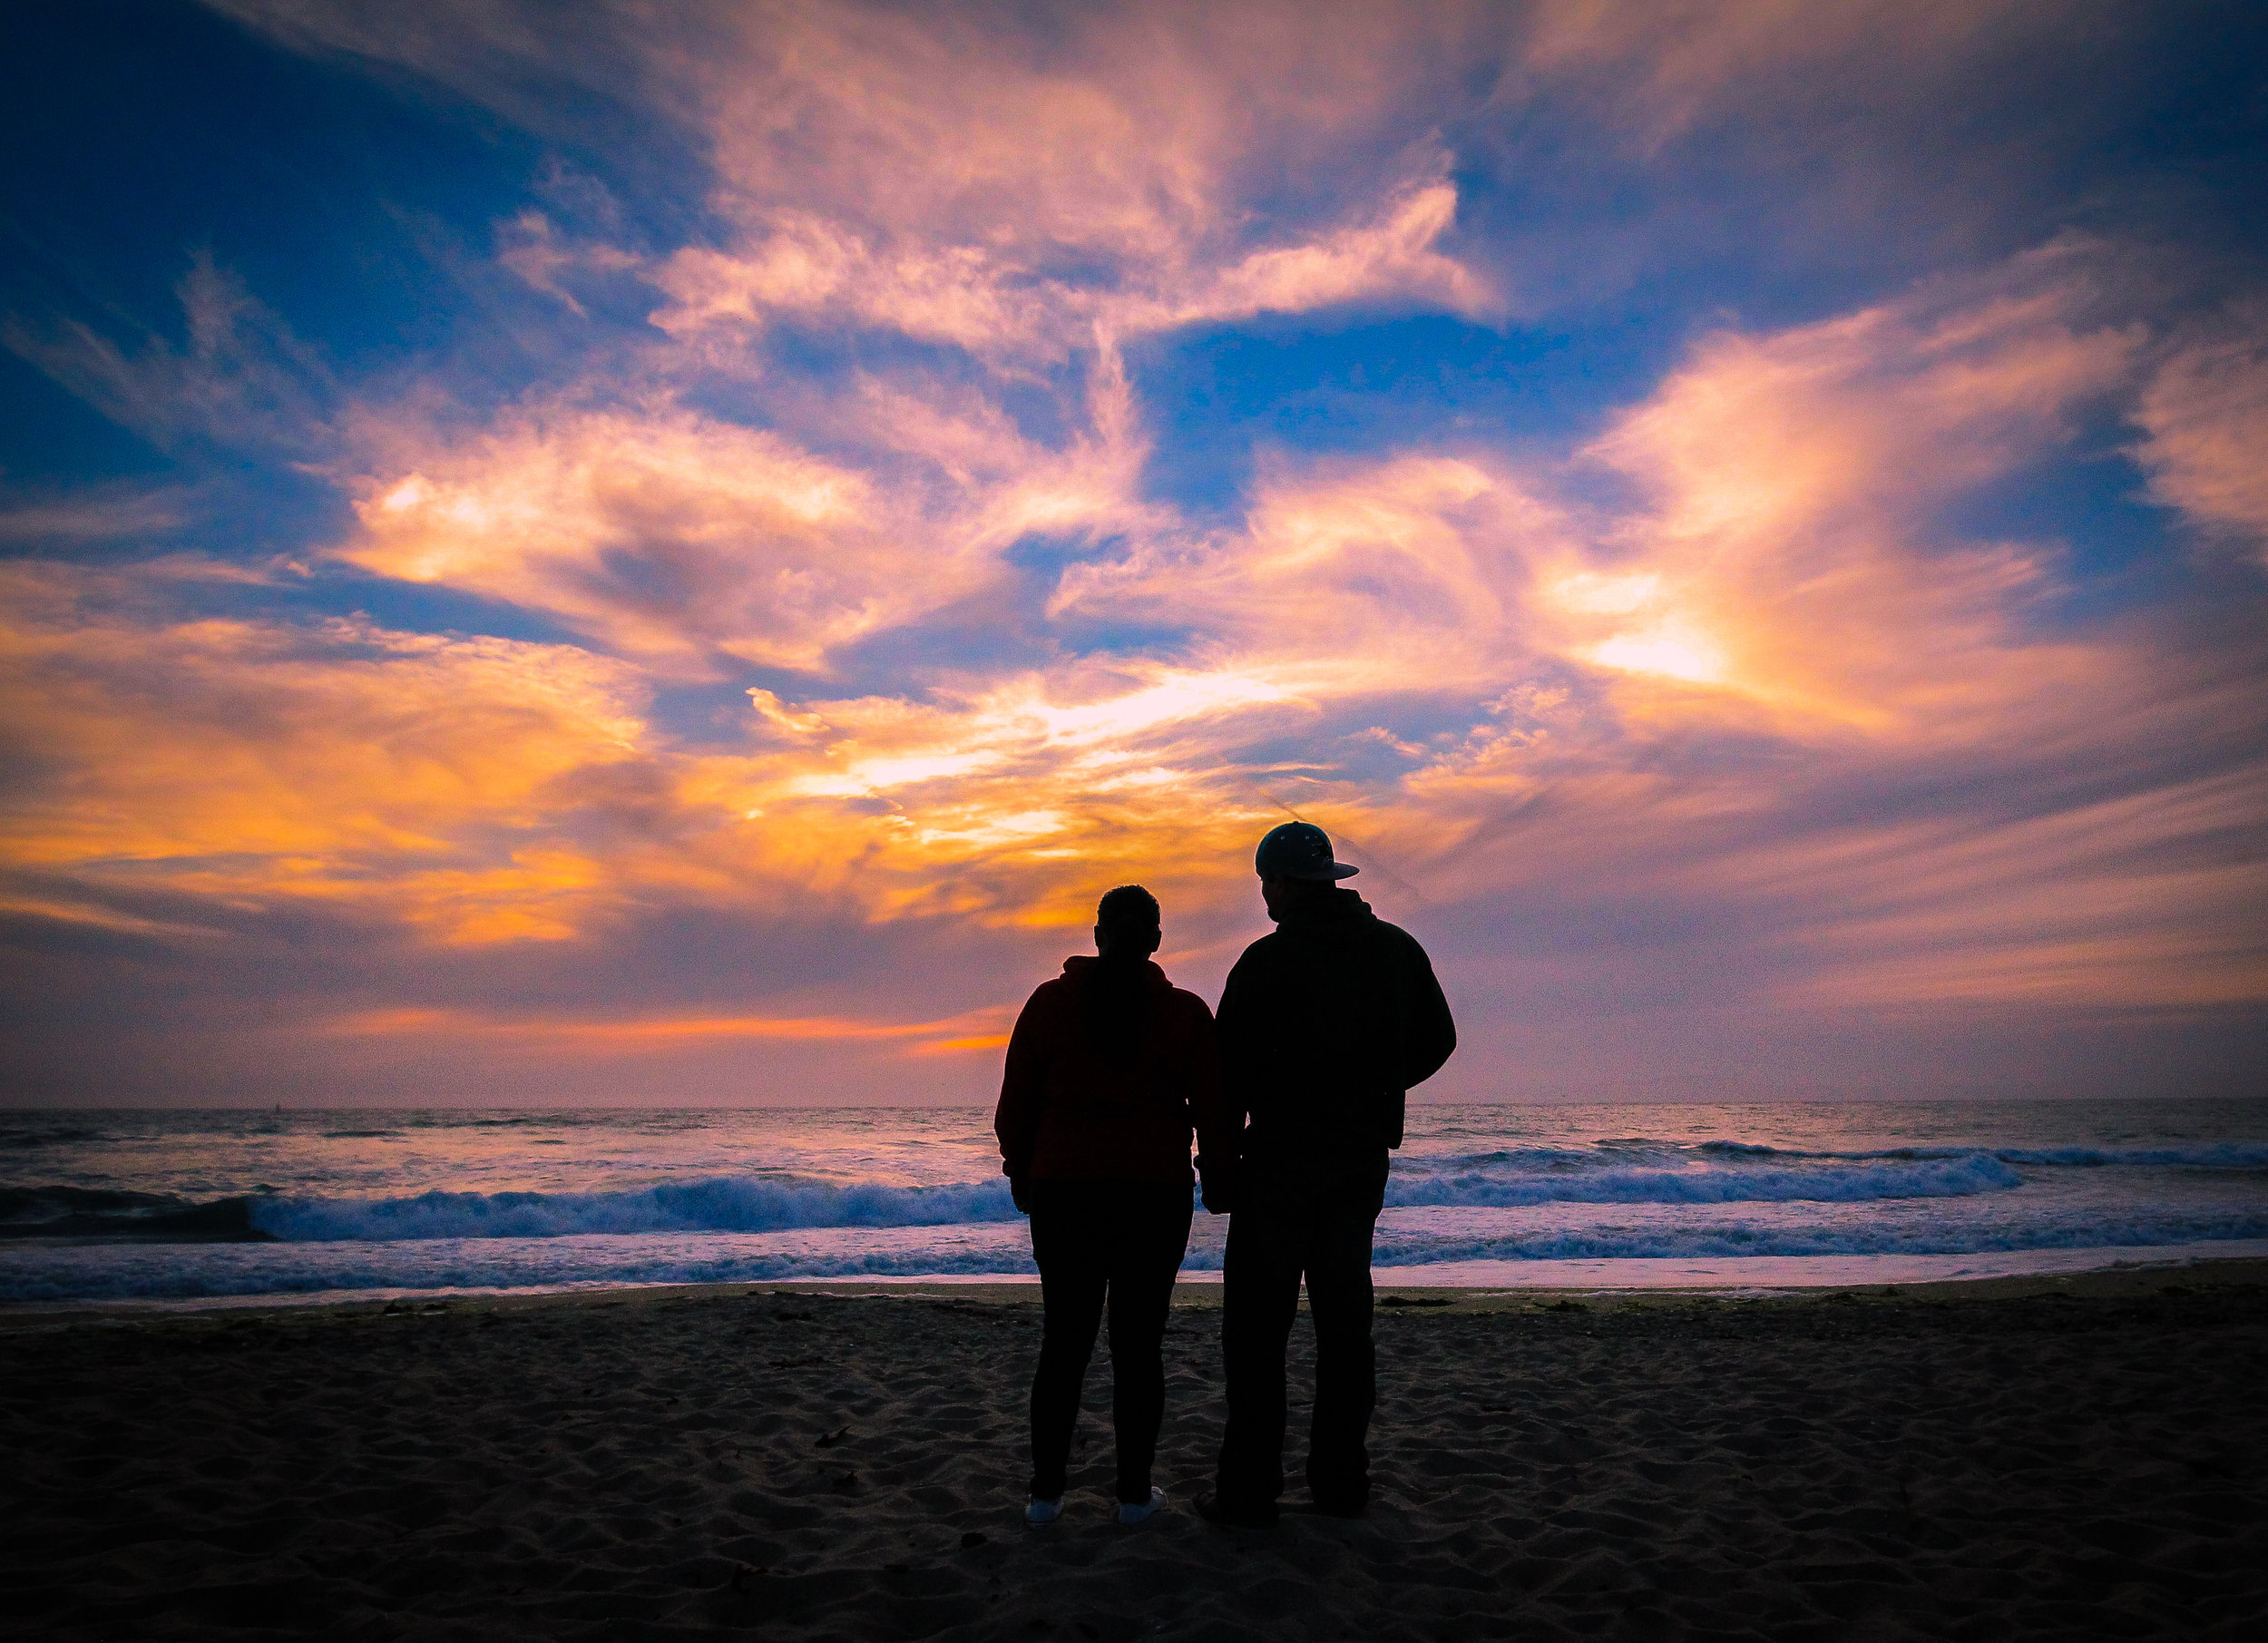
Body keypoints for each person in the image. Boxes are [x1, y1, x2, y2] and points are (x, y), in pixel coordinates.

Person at [1198, 822, 1456, 1527]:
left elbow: (1226, 1080)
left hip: (1277, 1164)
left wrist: (1217, 1169)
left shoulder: (1264, 964)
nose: (1264, 897)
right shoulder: (1395, 951)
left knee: (1256, 1336)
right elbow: (1439, 1040)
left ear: (1283, 883)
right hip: (1356, 1161)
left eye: (1266, 884)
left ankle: (1250, 1491)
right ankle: (1341, 1483)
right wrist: (1380, 1086)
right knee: (1346, 1329)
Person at [993, 884, 1233, 1528]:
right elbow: (1214, 1109)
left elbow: (1016, 1102)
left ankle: (1045, 1496)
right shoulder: (1183, 1014)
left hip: (1066, 1190)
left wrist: (1021, 1169)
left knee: (1063, 1343)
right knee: (1138, 1347)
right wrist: (1216, 1176)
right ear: (1155, 939)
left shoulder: (1050, 1004)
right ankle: (1133, 1495)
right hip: (1153, 1195)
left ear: (1098, 935)